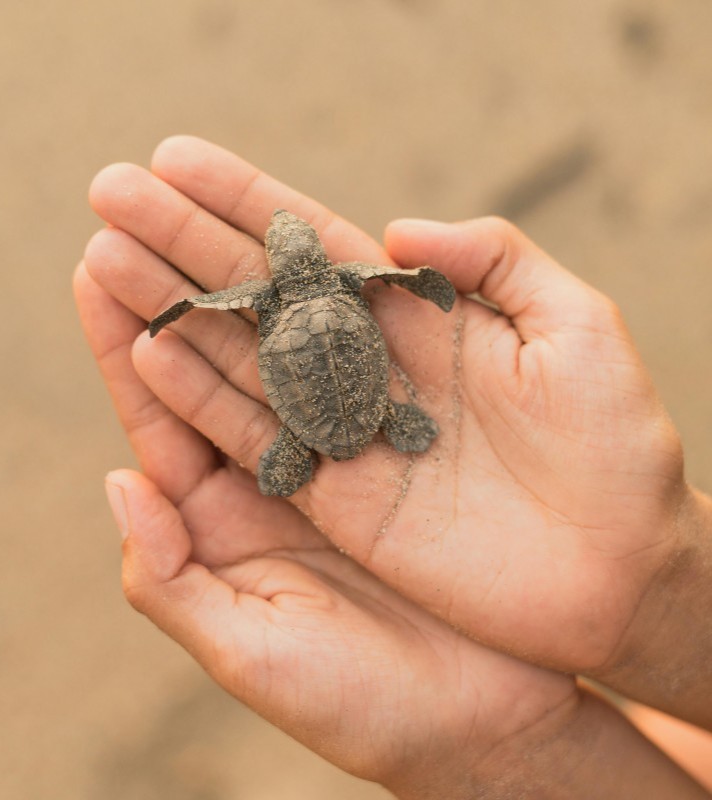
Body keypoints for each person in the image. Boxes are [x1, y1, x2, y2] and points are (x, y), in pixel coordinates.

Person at [74, 136, 712, 798]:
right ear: (317, 259)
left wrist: (180, 310)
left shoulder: (265, 297)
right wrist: (427, 286)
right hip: (374, 403)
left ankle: (303, 445)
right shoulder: (347, 276)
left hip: (305, 410)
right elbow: (406, 279)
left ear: (280, 266)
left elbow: (209, 303)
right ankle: (378, 423)